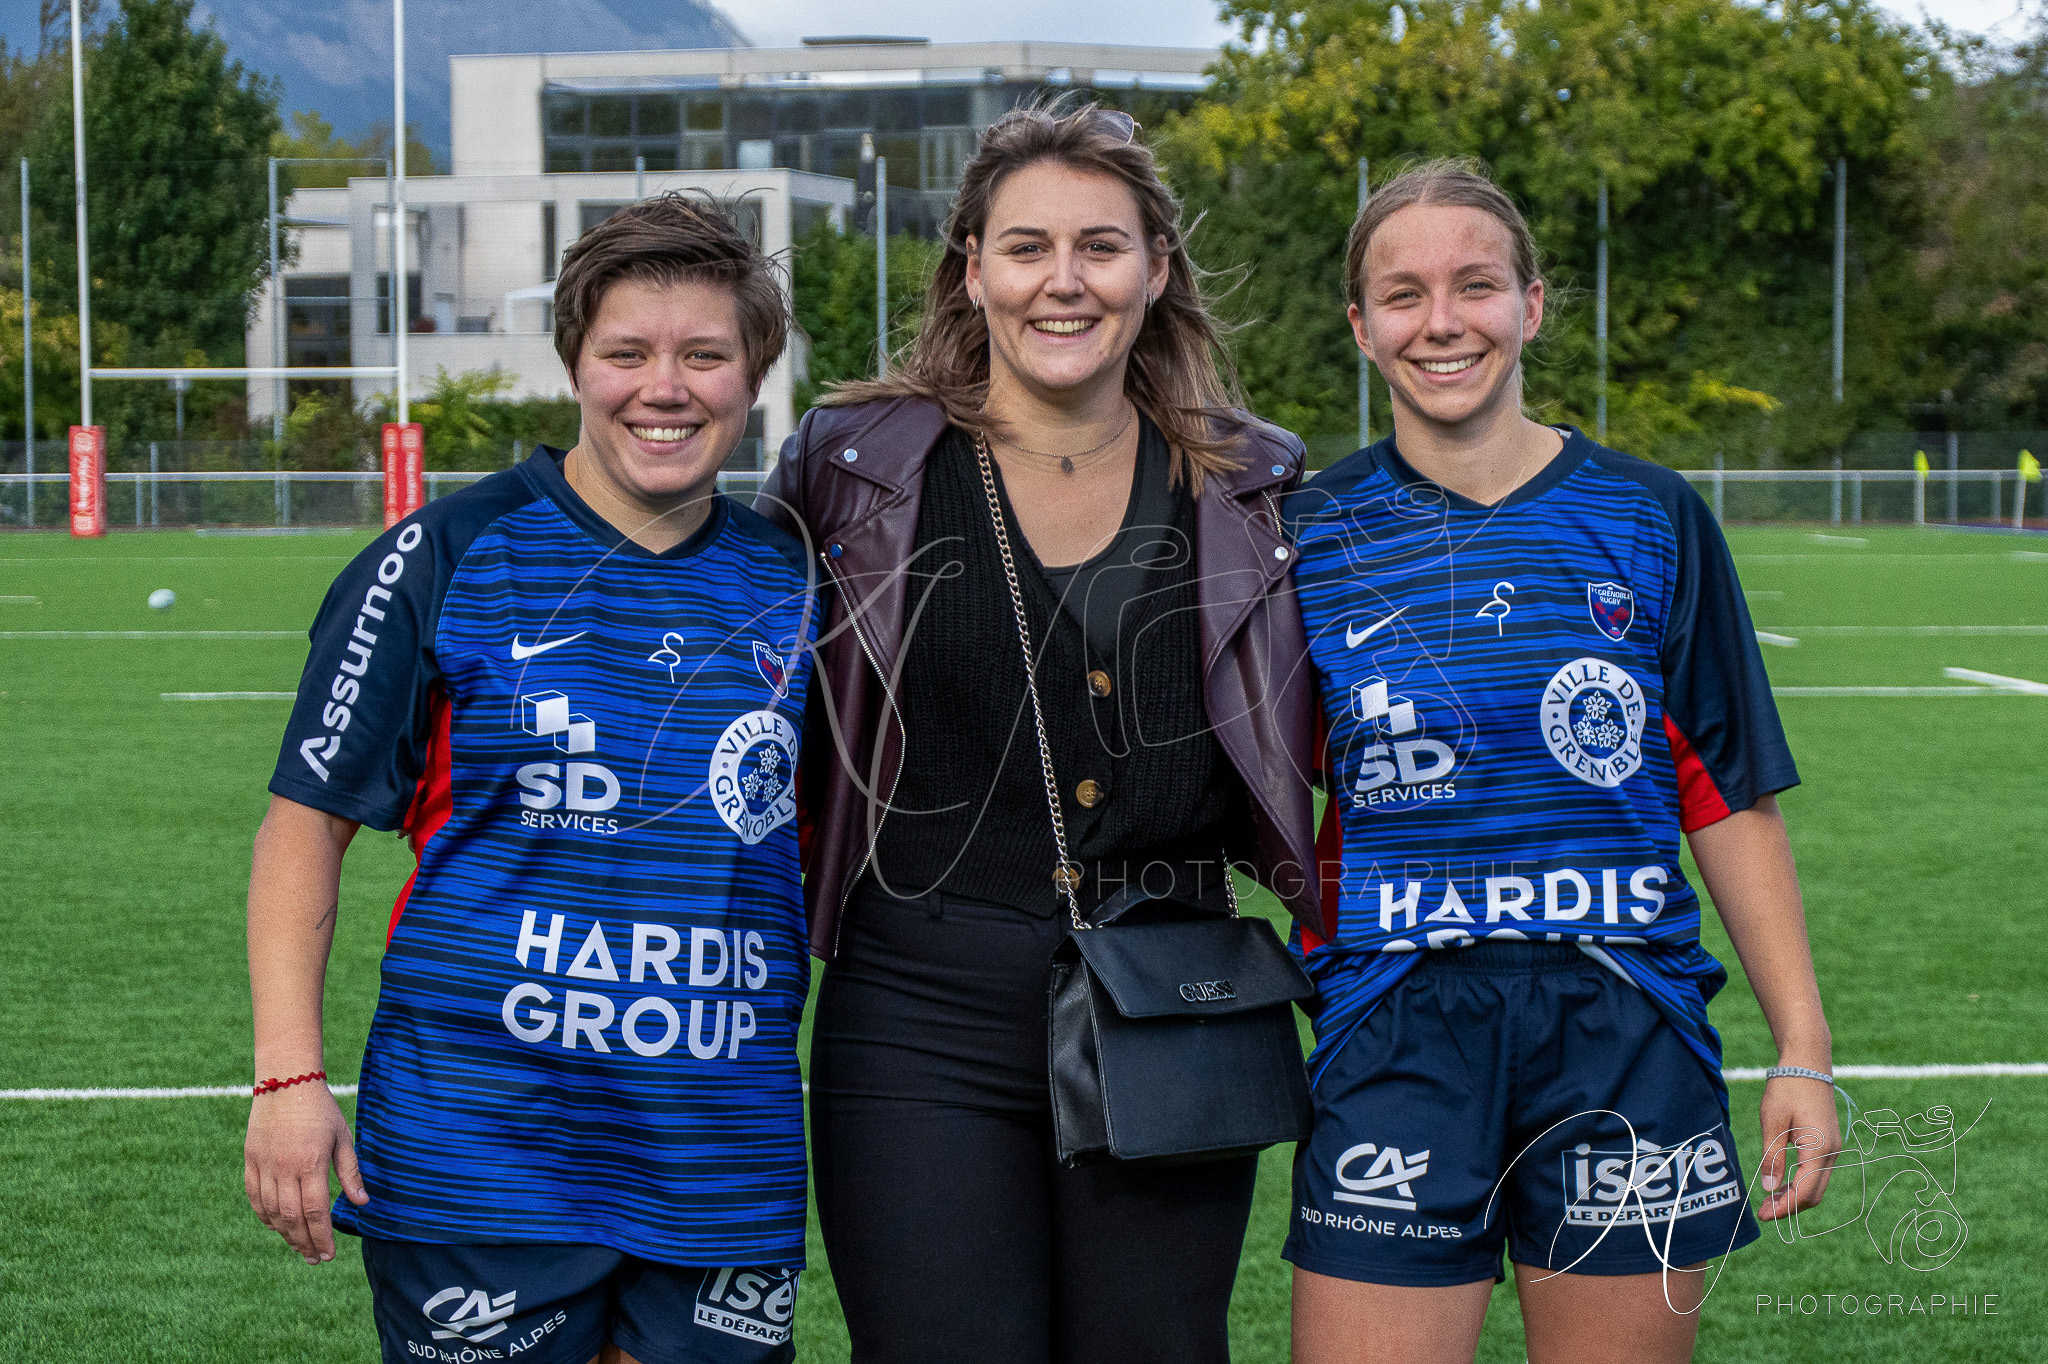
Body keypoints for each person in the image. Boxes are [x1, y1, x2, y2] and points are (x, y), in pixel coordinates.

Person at [756, 103, 1323, 1363]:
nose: (1062, 280)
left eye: (1099, 246)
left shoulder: (1256, 481)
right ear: (971, 268)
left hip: (1172, 994)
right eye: (1025, 247)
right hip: (914, 1002)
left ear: (1155, 268)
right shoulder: (850, 465)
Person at [1281, 159, 1842, 1363]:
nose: (1441, 321)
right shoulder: (1305, 534)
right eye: (1403, 294)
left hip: (1622, 1023)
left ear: (1530, 304)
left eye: (1474, 285)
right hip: (1393, 1027)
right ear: (1361, 327)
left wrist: (1802, 1048)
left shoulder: (1650, 515)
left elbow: (1725, 793)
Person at [243, 195, 820, 1364]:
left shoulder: (801, 579)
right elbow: (303, 827)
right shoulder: (446, 554)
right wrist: (288, 1076)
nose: (665, 387)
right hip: (480, 1137)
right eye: (627, 352)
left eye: (705, 354)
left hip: (719, 1144)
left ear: (754, 374)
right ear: (574, 363)